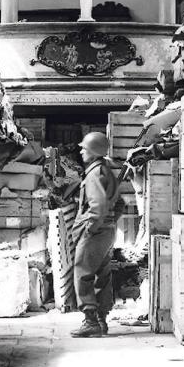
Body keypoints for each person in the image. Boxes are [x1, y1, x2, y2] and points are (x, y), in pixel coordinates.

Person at [71, 130, 121, 338]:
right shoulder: (107, 171)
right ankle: (101, 320)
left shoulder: (93, 174)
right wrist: (108, 224)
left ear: (93, 151)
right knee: (103, 275)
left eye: (84, 148)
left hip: (95, 232)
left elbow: (97, 205)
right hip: (107, 232)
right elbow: (119, 205)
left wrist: (91, 228)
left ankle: (90, 321)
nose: (81, 151)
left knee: (82, 272)